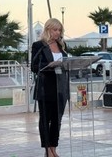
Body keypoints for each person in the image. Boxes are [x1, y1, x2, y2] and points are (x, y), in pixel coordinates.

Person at [31, 18, 69, 157]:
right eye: (55, 30)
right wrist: (50, 66)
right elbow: (34, 67)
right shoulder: (38, 45)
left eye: (59, 30)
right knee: (45, 119)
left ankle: (53, 147)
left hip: (61, 88)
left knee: (57, 120)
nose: (57, 33)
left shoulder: (62, 46)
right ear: (48, 30)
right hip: (45, 88)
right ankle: (47, 149)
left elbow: (66, 63)